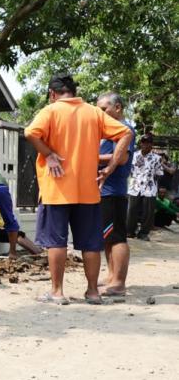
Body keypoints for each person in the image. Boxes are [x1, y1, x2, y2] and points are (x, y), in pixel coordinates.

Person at [24, 74, 132, 305]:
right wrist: (112, 166)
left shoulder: (50, 111)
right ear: (73, 91)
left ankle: (57, 292)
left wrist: (48, 154)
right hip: (88, 191)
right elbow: (126, 133)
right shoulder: (93, 112)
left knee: (56, 242)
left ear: (53, 94)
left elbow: (30, 132)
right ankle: (93, 292)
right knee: (91, 243)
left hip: (56, 189)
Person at [96, 92, 136, 297]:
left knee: (117, 236)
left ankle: (118, 282)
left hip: (114, 191)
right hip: (105, 191)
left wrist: (91, 157)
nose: (100, 113)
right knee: (107, 236)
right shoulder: (108, 130)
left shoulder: (124, 129)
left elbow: (120, 158)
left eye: (104, 109)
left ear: (118, 107)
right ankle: (112, 276)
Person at [126, 134, 163, 240]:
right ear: (140, 143)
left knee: (148, 212)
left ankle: (143, 233)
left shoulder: (157, 158)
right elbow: (129, 171)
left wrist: (156, 186)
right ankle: (129, 231)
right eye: (143, 142)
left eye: (148, 142)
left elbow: (159, 173)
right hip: (134, 187)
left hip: (149, 188)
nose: (145, 144)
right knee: (131, 210)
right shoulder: (133, 155)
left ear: (151, 144)